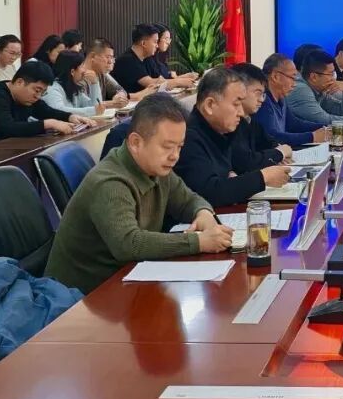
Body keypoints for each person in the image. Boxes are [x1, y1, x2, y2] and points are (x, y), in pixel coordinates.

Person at [45, 94, 233, 294]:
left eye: (180, 147)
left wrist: (203, 213)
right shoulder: (110, 183)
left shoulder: (156, 168)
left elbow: (188, 200)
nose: (175, 156)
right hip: (80, 297)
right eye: (167, 147)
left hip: (125, 281)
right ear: (135, 142)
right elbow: (129, 244)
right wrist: (199, 242)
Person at [173, 67, 291, 207]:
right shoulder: (188, 137)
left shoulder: (219, 130)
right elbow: (209, 192)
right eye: (236, 104)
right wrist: (264, 177)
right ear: (210, 105)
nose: (240, 112)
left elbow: (226, 177)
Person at [0, 60, 96, 139]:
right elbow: (8, 128)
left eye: (42, 92)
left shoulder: (25, 98)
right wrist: (49, 124)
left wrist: (71, 117)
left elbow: (46, 111)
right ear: (20, 82)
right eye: (37, 90)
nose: (38, 96)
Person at [256, 53, 330, 148]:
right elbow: (272, 137)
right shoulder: (262, 102)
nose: (294, 84)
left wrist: (327, 127)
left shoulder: (281, 99)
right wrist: (312, 137)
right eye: (292, 78)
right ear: (275, 76)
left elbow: (294, 124)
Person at [231, 62, 291, 168]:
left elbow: (269, 142)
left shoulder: (250, 120)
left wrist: (279, 151)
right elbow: (246, 162)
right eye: (258, 93)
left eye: (263, 94)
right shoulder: (230, 124)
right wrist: (279, 153)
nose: (262, 100)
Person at [286, 50, 343, 130]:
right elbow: (324, 120)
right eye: (330, 74)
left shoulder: (319, 89)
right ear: (314, 77)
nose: (333, 79)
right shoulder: (300, 90)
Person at [112, 24, 190, 94]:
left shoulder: (145, 58)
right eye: (155, 42)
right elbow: (151, 83)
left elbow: (160, 79)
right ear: (143, 43)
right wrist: (178, 82)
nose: (157, 45)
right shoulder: (128, 60)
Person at [44, 51, 114, 117]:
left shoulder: (74, 87)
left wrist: (94, 83)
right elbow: (59, 110)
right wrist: (93, 110)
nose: (84, 70)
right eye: (82, 66)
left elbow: (95, 107)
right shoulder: (52, 89)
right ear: (72, 72)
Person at [82, 38, 132, 106]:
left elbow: (119, 89)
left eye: (111, 57)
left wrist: (120, 96)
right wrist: (112, 103)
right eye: (108, 57)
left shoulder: (102, 73)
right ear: (93, 56)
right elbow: (84, 106)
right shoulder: (78, 75)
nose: (110, 62)